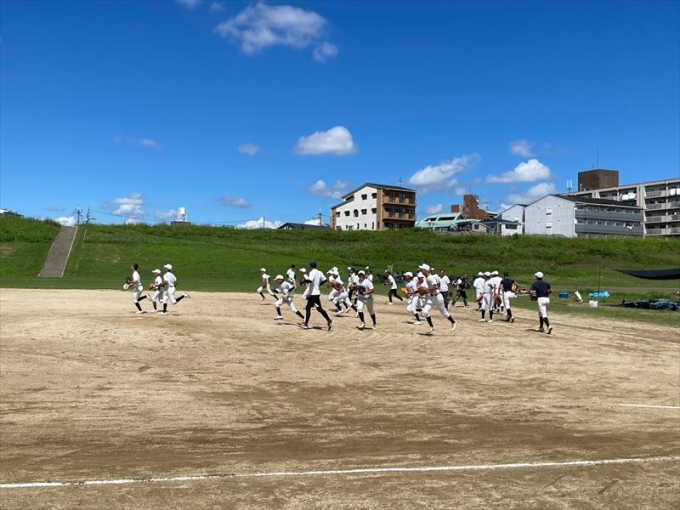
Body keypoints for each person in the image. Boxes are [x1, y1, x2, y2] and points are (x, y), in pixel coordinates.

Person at [418, 263, 458, 334]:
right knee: (425, 311)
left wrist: (427, 289)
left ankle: (453, 322)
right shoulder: (427, 277)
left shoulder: (430, 278)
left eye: (422, 269)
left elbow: (436, 287)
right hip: (431, 297)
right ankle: (431, 327)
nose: (421, 270)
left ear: (425, 270)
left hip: (438, 297)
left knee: (444, 312)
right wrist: (426, 290)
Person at [299, 260, 334, 331]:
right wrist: (318, 285)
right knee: (317, 308)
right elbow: (325, 280)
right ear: (316, 265)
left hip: (313, 294)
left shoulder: (312, 272)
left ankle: (306, 324)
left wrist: (304, 281)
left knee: (310, 308)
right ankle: (328, 320)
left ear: (310, 265)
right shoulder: (319, 272)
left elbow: (310, 280)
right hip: (316, 293)